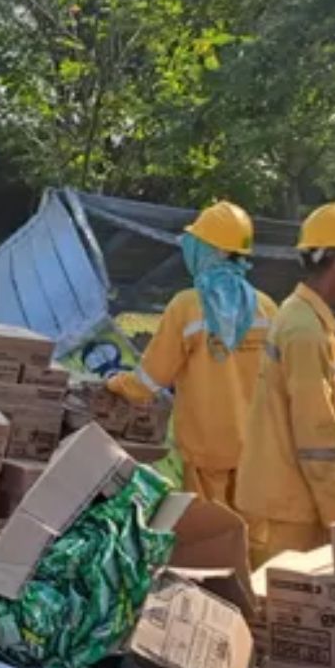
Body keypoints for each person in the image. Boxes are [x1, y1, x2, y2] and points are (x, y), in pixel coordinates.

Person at [234, 200, 335, 565]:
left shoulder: (301, 315)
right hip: (287, 511)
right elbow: (317, 440)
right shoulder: (306, 331)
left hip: (282, 500)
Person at [105, 202, 276, 505]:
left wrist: (115, 383)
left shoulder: (187, 307)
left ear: (210, 250)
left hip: (207, 451)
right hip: (259, 451)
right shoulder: (267, 307)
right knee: (250, 538)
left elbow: (148, 383)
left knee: (211, 536)